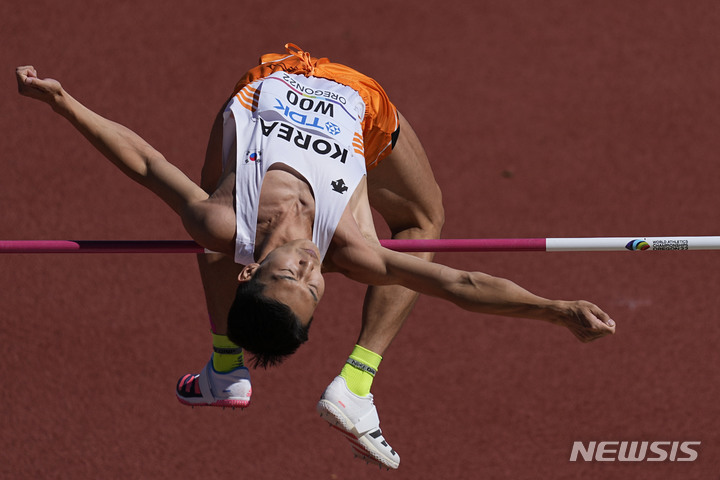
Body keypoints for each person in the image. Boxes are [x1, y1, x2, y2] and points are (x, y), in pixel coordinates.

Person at [16, 44, 616, 470]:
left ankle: (226, 364)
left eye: (289, 274)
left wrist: (65, 103)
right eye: (313, 286)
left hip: (271, 81)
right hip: (360, 100)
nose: (308, 267)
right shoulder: (353, 251)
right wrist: (556, 310)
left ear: (256, 271)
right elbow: (460, 282)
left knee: (212, 232)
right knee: (422, 223)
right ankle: (356, 381)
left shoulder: (225, 220)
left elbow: (145, 164)